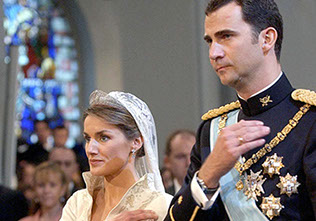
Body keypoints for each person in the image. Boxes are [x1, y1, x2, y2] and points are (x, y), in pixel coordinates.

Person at [164, 0, 316, 220]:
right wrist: (208, 174)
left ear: (267, 39)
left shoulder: (309, 122)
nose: (213, 53)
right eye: (209, 41)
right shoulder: (211, 131)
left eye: (226, 36)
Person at [60, 90, 172, 221]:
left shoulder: (161, 206)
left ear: (136, 142)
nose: (90, 149)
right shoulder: (78, 203)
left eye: (104, 138)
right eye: (88, 138)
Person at [163, 129, 195, 195]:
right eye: (181, 157)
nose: (189, 163)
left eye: (193, 156)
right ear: (167, 162)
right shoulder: (163, 199)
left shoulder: (218, 196)